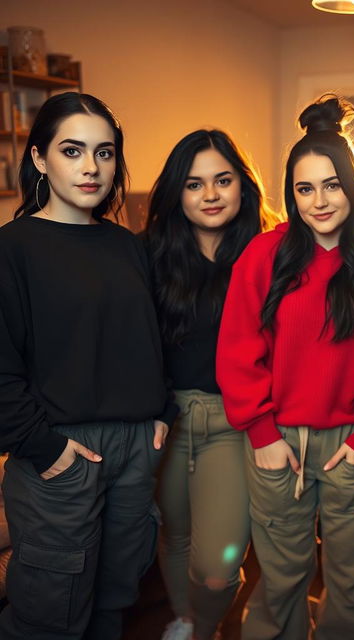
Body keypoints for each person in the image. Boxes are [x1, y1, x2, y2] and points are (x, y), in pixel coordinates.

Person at [217, 94, 354, 640]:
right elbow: (237, 349)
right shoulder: (264, 254)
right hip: (278, 440)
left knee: (353, 579)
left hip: (353, 442)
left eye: (331, 185)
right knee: (281, 577)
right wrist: (262, 432)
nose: (318, 201)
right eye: (304, 188)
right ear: (290, 194)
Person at [0, 92, 169, 640]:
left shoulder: (128, 246)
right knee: (49, 615)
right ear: (40, 158)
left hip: (133, 450)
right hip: (60, 449)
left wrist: (159, 412)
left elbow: (148, 338)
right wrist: (43, 447)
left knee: (115, 600)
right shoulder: (13, 248)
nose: (92, 167)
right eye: (73, 150)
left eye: (105, 152)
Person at [144, 129, 277, 640]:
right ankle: (183, 620)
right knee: (173, 536)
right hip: (168, 421)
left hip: (236, 422)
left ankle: (202, 628)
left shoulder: (269, 253)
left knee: (218, 567)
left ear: (243, 185)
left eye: (223, 180)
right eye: (195, 184)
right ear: (177, 192)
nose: (211, 194)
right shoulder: (151, 256)